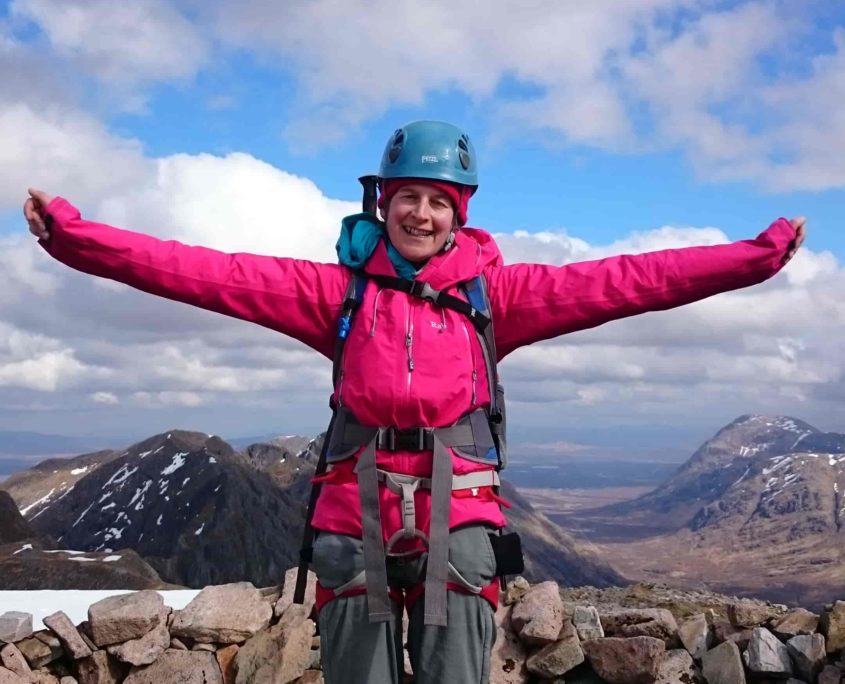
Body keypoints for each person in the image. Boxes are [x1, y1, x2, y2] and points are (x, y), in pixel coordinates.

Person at [24, 120, 805, 684]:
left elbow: (629, 280)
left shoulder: (499, 297)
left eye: (437, 199)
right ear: (382, 202)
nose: (421, 214)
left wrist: (753, 261)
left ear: (458, 208)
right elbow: (200, 271)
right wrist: (73, 239)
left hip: (457, 522)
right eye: (407, 198)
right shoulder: (334, 294)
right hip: (350, 523)